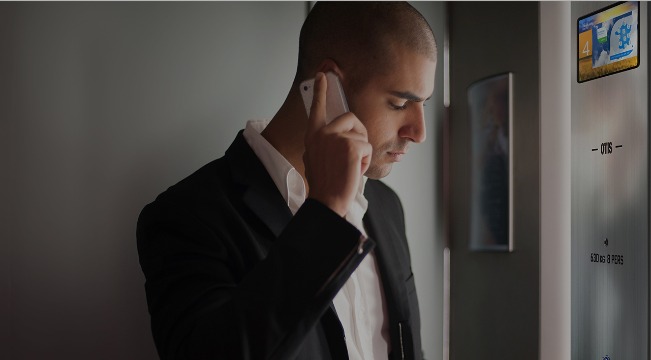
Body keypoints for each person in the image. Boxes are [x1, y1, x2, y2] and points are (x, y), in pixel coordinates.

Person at [137, 2, 437, 359]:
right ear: (329, 84)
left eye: (424, 105)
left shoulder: (386, 206)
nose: (419, 132)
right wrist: (325, 213)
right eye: (400, 103)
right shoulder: (186, 216)